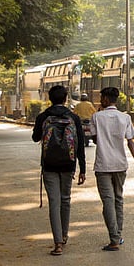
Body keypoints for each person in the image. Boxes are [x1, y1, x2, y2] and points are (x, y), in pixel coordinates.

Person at [32, 85, 86, 256]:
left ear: (50, 99)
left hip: (49, 165)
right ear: (65, 98)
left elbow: (35, 138)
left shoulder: (43, 116)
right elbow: (80, 145)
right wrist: (82, 169)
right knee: (65, 200)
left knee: (54, 202)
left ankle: (58, 243)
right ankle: (64, 235)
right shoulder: (73, 117)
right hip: (68, 165)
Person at [91, 86, 134, 252]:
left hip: (103, 164)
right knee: (118, 199)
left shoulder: (96, 117)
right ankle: (117, 235)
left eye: (101, 98)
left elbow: (95, 139)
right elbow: (130, 141)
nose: (100, 101)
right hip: (120, 164)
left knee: (108, 200)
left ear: (106, 99)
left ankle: (114, 238)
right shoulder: (125, 117)